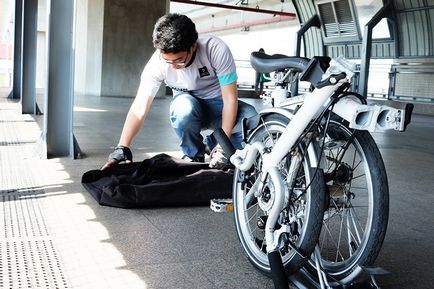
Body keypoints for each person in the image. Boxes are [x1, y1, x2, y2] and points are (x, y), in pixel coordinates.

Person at [101, 13, 257, 170]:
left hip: (219, 105)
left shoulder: (215, 49)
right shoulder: (157, 63)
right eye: (168, 61)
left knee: (250, 117)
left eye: (179, 60)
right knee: (183, 108)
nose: (173, 66)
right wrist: (122, 146)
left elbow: (230, 99)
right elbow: (140, 107)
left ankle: (213, 144)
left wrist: (223, 147)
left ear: (193, 46)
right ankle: (193, 153)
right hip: (189, 110)